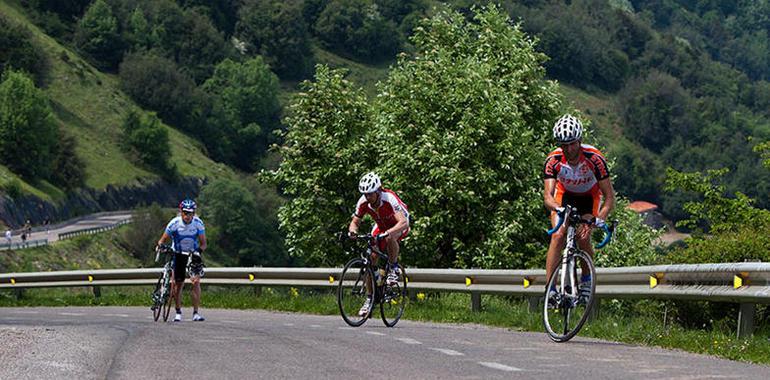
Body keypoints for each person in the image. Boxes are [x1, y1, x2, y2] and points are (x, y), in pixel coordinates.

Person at [543, 114, 615, 304]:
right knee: (558, 235)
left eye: (572, 144)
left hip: (588, 197)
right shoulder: (553, 160)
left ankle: (586, 281)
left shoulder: (594, 158)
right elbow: (548, 196)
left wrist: (599, 218)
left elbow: (609, 197)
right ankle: (550, 289)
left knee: (583, 237)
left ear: (580, 141)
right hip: (564, 196)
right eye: (563, 144)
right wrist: (557, 209)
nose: (568, 149)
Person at [347, 172, 410, 317]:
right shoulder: (363, 201)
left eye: (370, 194)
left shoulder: (389, 198)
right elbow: (355, 222)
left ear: (378, 191)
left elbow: (403, 222)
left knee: (390, 237)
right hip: (381, 225)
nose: (367, 197)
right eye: (365, 194)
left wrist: (389, 233)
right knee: (371, 255)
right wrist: (352, 231)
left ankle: (394, 268)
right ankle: (371, 297)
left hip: (400, 224)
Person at [156, 199, 207, 322]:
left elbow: (204, 244)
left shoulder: (198, 224)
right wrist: (161, 246)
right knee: (178, 285)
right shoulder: (174, 223)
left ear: (194, 213)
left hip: (192, 254)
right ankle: (178, 311)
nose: (187, 216)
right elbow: (162, 240)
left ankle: (195, 313)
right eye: (185, 213)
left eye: (190, 213)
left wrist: (198, 252)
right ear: (181, 212)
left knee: (195, 282)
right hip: (178, 254)